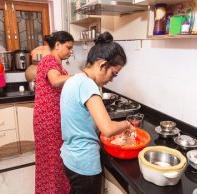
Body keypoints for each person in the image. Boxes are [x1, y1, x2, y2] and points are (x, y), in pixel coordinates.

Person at [60, 31, 135, 194]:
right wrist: (126, 125)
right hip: (84, 162)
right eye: (113, 73)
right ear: (102, 64)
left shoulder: (72, 80)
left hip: (69, 156)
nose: (112, 79)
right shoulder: (88, 85)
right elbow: (107, 129)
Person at [33, 31, 74, 194]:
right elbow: (56, 81)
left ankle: (57, 189)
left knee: (54, 159)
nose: (71, 51)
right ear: (57, 45)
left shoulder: (57, 63)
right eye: (69, 47)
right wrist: (80, 76)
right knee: (52, 160)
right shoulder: (49, 60)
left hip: (52, 118)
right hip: (48, 119)